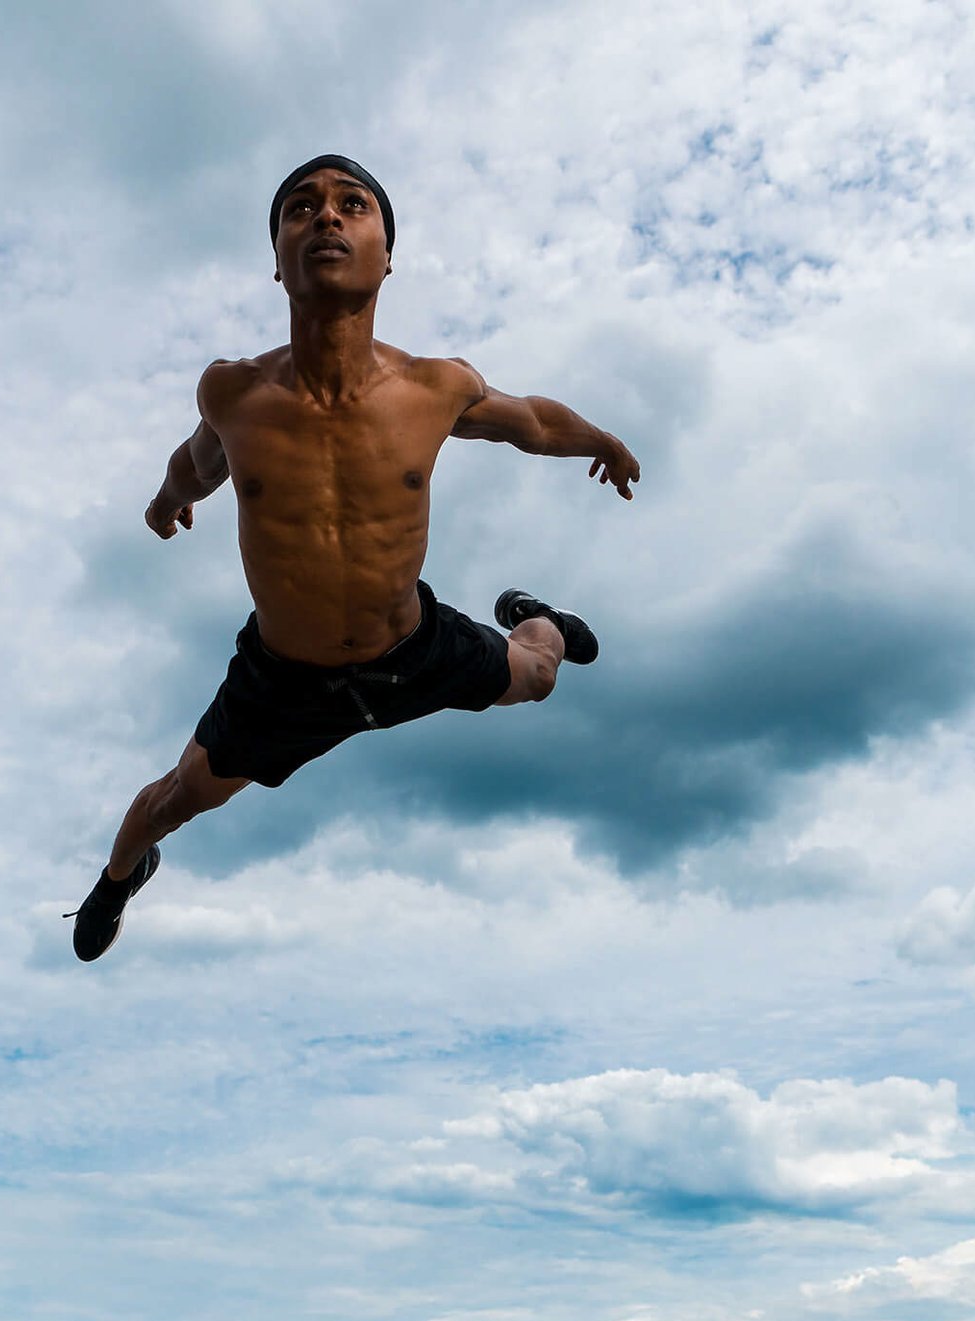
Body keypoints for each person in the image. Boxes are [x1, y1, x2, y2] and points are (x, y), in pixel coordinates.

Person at [69, 155, 642, 961]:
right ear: (278, 262)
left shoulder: (434, 387)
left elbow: (535, 423)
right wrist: (167, 503)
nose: (327, 217)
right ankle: (117, 879)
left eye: (352, 204)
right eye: (302, 207)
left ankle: (537, 617)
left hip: (412, 651)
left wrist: (603, 441)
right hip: (282, 682)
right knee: (169, 803)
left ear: (387, 255)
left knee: (540, 675)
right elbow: (197, 463)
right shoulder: (235, 394)